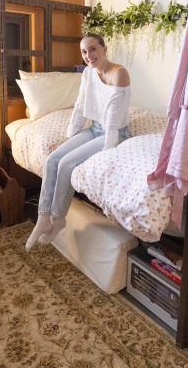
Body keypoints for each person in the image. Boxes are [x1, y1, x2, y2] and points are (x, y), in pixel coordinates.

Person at [25, 34, 131, 251]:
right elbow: (81, 106)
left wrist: (108, 151)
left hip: (113, 133)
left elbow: (112, 121)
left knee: (66, 164)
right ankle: (44, 216)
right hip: (94, 128)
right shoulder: (88, 74)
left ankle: (58, 217)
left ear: (104, 48)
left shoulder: (119, 74)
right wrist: (70, 137)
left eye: (92, 49)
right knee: (53, 159)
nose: (88, 56)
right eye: (84, 52)